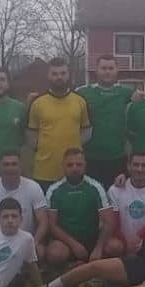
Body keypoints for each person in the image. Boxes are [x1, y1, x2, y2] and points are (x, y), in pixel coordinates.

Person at [43, 148, 114, 268]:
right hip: (66, 242)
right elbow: (51, 225)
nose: (75, 168)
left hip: (93, 240)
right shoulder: (53, 190)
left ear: (85, 166)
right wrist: (73, 244)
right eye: (70, 165)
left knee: (115, 247)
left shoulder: (96, 187)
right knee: (55, 253)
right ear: (63, 166)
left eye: (79, 164)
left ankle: (96, 269)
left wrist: (99, 248)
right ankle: (70, 268)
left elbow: (109, 221)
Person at [27, 57, 92, 189]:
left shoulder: (80, 101)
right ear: (48, 76)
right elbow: (31, 134)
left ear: (68, 75)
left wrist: (74, 145)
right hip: (44, 171)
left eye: (63, 73)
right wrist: (43, 148)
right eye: (55, 74)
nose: (59, 77)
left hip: (73, 171)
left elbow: (87, 131)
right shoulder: (38, 102)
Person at [77, 54, 136, 184]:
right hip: (90, 157)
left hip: (117, 157)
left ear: (117, 70)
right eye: (103, 68)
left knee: (116, 194)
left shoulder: (127, 92)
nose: (107, 71)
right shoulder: (83, 92)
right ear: (96, 70)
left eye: (111, 68)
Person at [0, 151, 50, 245]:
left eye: (14, 164)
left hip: (26, 240)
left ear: (21, 167)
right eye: (6, 164)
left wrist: (34, 242)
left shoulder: (33, 187)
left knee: (40, 250)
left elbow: (43, 221)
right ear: (0, 168)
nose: (10, 168)